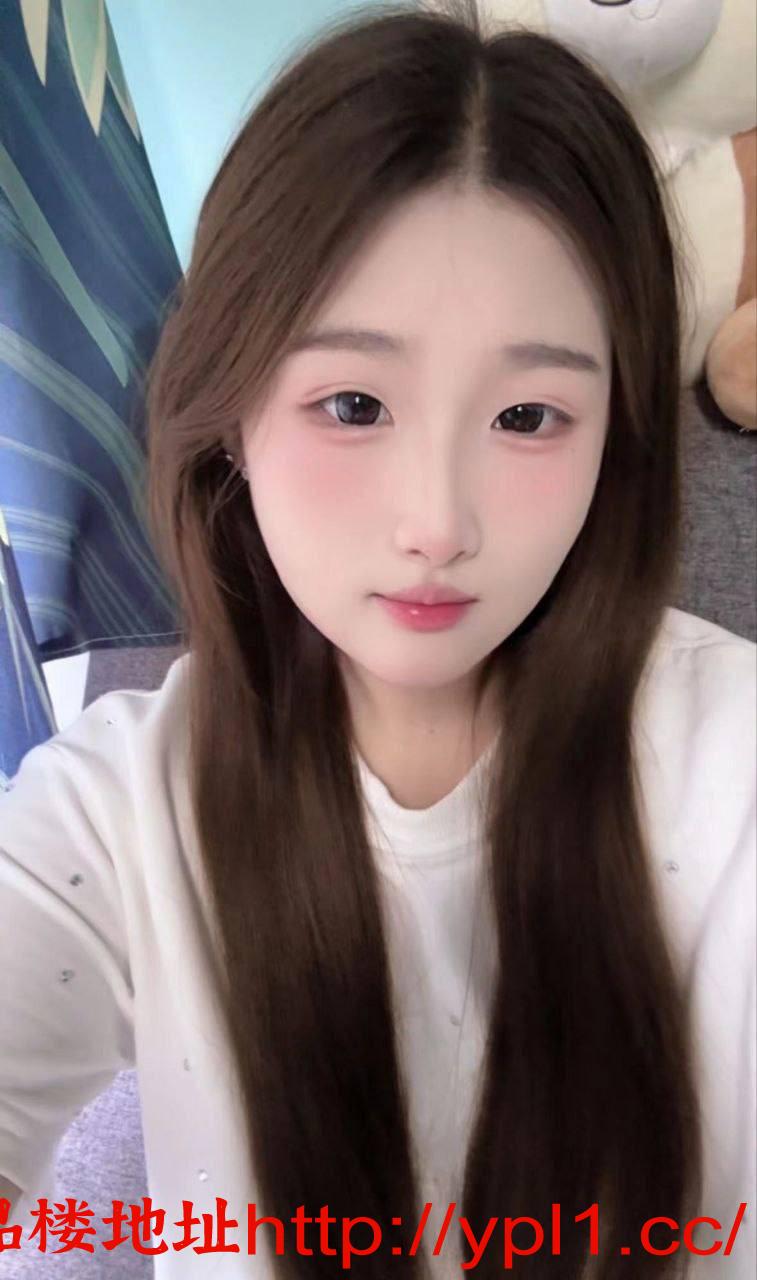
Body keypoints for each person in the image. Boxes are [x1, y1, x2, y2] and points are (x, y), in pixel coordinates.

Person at [1, 1, 754, 1276]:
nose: (437, 523)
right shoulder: (116, 811)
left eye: (527, 415)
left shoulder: (730, 759)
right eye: (353, 402)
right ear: (233, 412)